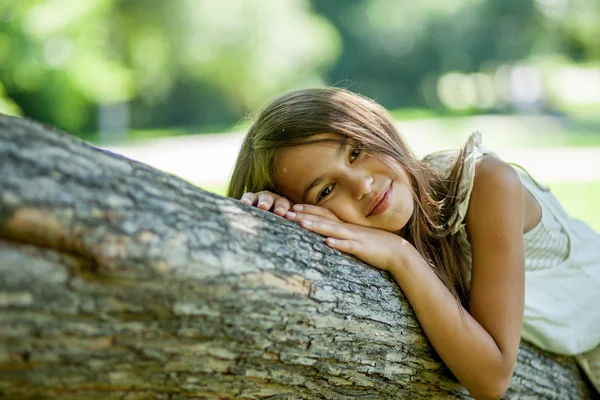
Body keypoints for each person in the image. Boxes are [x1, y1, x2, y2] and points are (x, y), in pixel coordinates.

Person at [227, 87, 600, 398]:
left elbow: (492, 377)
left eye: (356, 152)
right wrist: (280, 219)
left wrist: (401, 256)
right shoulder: (384, 227)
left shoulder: (486, 184)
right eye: (326, 190)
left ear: (377, 128)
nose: (362, 186)